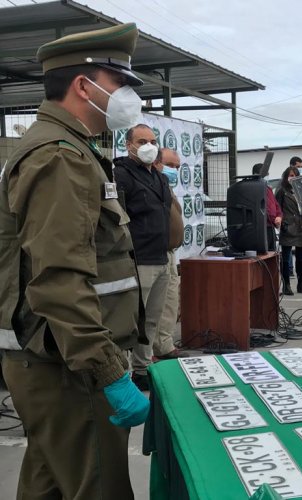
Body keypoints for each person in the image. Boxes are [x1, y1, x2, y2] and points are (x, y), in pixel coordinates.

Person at [0, 23, 149, 498]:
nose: (128, 96)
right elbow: (59, 279)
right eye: (119, 83)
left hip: (52, 356)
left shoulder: (70, 148)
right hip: (67, 365)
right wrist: (108, 371)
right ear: (84, 86)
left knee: (48, 483)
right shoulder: (59, 156)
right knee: (98, 486)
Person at [114, 124, 172, 391]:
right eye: (142, 141)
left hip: (161, 256)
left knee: (152, 318)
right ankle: (122, 373)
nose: (149, 145)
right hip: (138, 258)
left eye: (152, 140)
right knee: (131, 319)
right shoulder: (121, 175)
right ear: (129, 145)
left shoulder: (160, 177)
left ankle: (143, 367)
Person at [152, 148, 189, 359]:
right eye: (170, 165)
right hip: (153, 253)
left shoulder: (167, 186)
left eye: (177, 166)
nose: (174, 170)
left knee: (170, 300)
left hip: (170, 251)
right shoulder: (150, 185)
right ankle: (146, 352)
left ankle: (164, 344)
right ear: (157, 163)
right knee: (153, 306)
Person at [276, 166, 302, 295]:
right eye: (291, 175)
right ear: (286, 177)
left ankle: (301, 284)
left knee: (301, 259)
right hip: (288, 227)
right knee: (285, 258)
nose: (293, 177)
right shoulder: (282, 191)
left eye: (295, 175)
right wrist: (283, 223)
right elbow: (277, 208)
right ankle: (286, 285)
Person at [252, 162, 282, 251]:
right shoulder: (254, 188)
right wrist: (274, 220)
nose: (268, 176)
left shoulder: (268, 188)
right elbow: (264, 209)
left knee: (271, 253)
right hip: (261, 228)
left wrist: (279, 217)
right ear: (256, 174)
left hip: (270, 227)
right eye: (266, 174)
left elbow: (276, 206)